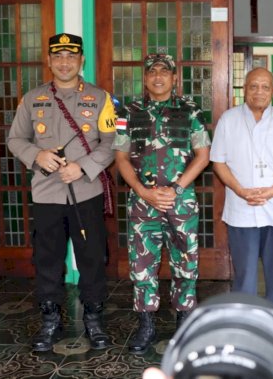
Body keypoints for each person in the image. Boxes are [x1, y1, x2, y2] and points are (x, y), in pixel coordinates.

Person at [7, 32, 116, 352]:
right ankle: (50, 319)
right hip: (46, 194)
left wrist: (83, 166)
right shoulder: (32, 99)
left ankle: (94, 317)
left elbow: (112, 143)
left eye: (71, 56)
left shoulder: (100, 98)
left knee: (92, 258)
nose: (65, 62)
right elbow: (15, 140)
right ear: (50, 61)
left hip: (86, 191)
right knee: (47, 259)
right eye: (58, 57)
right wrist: (37, 156)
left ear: (81, 60)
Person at [112, 53, 211, 355]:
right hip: (143, 204)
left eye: (164, 72)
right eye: (152, 71)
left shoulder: (191, 110)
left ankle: (184, 322)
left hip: (180, 202)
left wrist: (177, 188)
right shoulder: (129, 112)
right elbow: (120, 158)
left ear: (174, 78)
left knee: (186, 262)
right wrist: (143, 191)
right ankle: (146, 325)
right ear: (145, 78)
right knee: (143, 266)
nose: (158, 76)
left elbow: (203, 155)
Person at [210, 68, 273, 310]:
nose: (258, 92)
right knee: (245, 275)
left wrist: (271, 192)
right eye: (253, 86)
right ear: (244, 90)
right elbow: (218, 162)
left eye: (264, 87)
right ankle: (245, 323)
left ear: (272, 91)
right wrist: (241, 191)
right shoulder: (228, 120)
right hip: (242, 210)